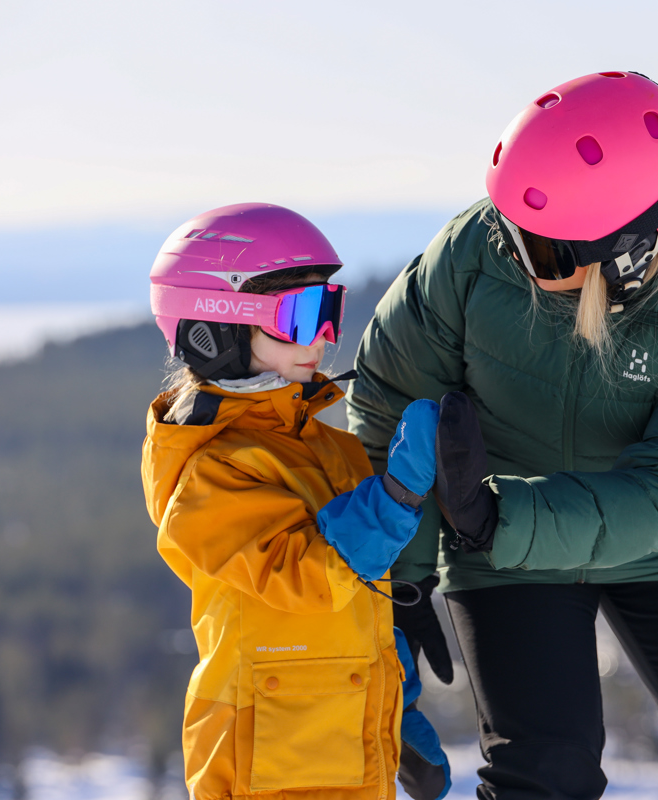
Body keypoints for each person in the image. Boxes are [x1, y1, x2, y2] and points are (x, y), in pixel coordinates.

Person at [347, 73, 658, 799]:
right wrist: (402, 580)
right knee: (543, 775)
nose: (512, 253)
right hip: (495, 529)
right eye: (510, 230)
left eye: (542, 251)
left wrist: (499, 519)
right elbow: (390, 401)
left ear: (630, 252)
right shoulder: (475, 253)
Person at [141, 203, 450, 800]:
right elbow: (310, 574)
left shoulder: (333, 450)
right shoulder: (209, 472)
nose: (324, 338)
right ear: (217, 329)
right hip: (264, 757)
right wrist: (397, 496)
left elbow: (361, 598)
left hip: (347, 746)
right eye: (300, 316)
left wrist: (397, 700)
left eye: (327, 310)